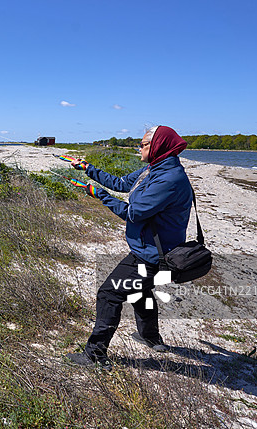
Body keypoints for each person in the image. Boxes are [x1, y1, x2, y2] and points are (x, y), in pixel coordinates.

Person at [65, 125, 192, 370]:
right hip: (149, 249)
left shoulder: (168, 179)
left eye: (144, 144)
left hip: (154, 254)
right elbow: (122, 184)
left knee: (109, 294)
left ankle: (95, 356)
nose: (140, 147)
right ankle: (151, 337)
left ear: (158, 146)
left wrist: (96, 193)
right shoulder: (153, 169)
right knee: (139, 290)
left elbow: (133, 213)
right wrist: (87, 169)